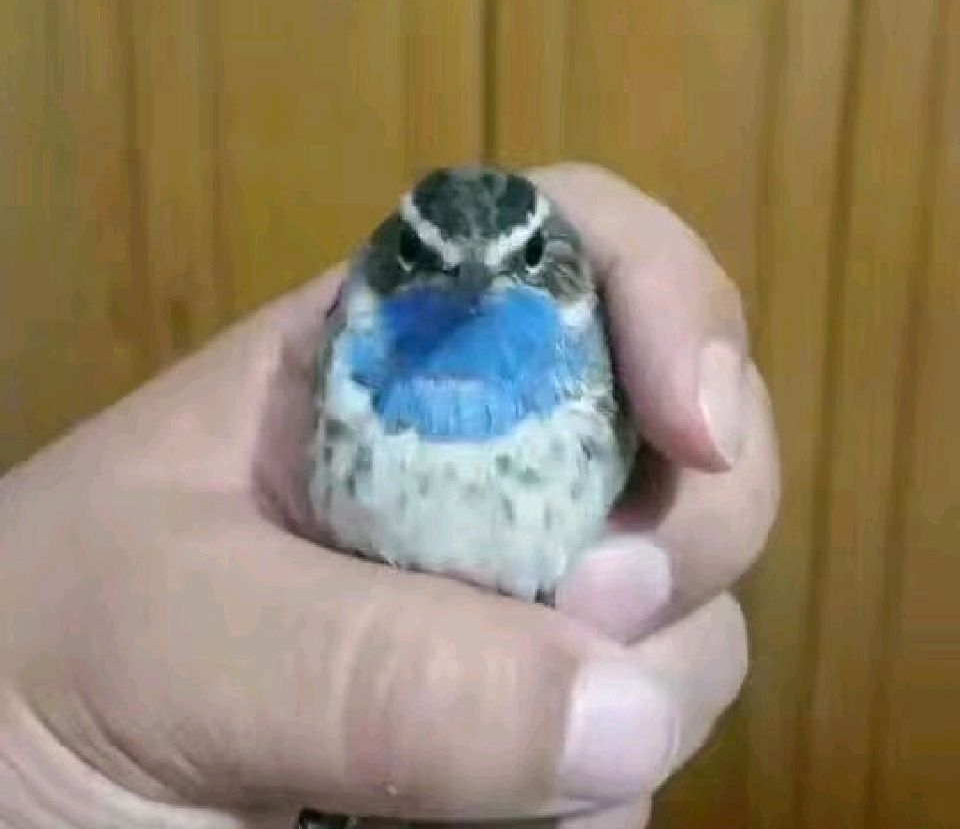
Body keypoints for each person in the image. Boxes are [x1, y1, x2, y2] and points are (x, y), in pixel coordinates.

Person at [0, 164, 779, 829]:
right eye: (420, 256)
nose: (472, 285)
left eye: (527, 258)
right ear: (379, 264)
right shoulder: (345, 354)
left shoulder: (594, 380)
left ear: (568, 272)